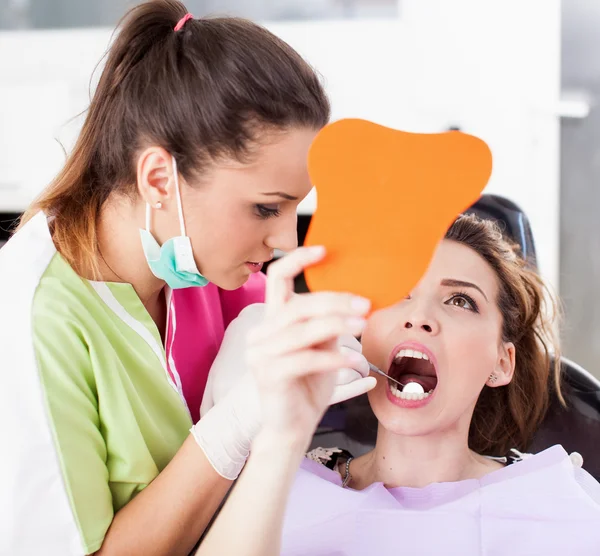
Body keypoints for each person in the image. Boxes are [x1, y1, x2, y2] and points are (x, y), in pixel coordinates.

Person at [0, 1, 376, 554]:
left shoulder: (201, 267)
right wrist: (235, 425)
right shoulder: (33, 322)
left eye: (294, 209)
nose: (286, 243)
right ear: (158, 178)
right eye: (267, 208)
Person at [196, 214, 600, 555]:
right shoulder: (276, 482)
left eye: (460, 300)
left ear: (501, 362)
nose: (418, 316)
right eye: (398, 293)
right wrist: (279, 443)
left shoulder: (563, 501)